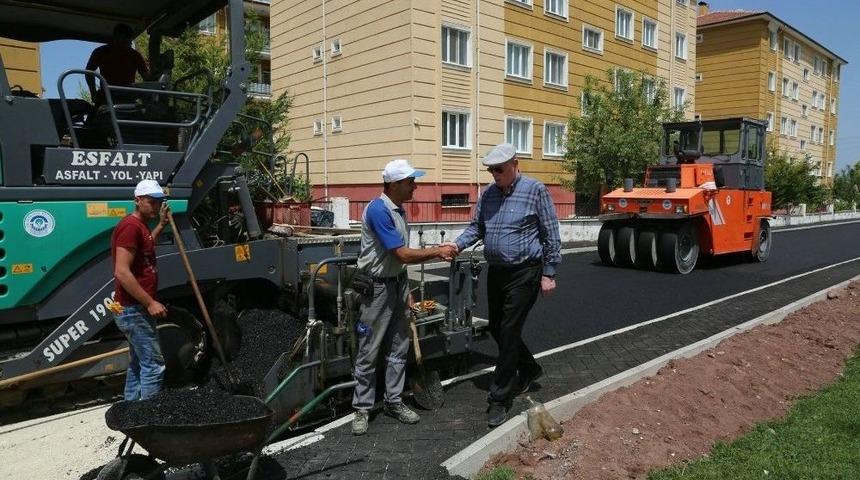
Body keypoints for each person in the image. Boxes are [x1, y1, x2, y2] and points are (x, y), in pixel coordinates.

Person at [446, 143, 561, 427]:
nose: (494, 174)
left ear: (514, 164)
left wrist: (549, 273)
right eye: (490, 170)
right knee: (497, 327)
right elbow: (477, 228)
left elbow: (551, 233)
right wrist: (456, 244)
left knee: (509, 330)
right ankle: (530, 368)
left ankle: (499, 398)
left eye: (498, 169)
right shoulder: (488, 195)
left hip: (526, 272)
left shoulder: (535, 190)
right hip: (497, 272)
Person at [351, 159, 458, 435]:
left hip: (395, 285)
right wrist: (438, 251)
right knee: (369, 349)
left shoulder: (399, 210)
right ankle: (362, 409)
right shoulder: (378, 210)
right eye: (411, 181)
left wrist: (406, 289)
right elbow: (401, 254)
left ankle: (393, 402)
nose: (415, 186)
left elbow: (397, 263)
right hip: (375, 290)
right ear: (396, 183)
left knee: (399, 348)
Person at [111, 179, 170, 401]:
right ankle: (149, 417)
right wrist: (150, 302)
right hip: (133, 309)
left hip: (132, 309)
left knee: (138, 364)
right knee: (154, 365)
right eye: (150, 202)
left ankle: (131, 411)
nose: (155, 206)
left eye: (158, 202)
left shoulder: (141, 227)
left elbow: (145, 248)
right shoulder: (130, 227)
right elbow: (122, 271)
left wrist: (161, 225)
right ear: (137, 200)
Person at [86, 23, 149, 105]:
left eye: (128, 38)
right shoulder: (101, 52)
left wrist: (157, 77)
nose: (127, 41)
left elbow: (146, 77)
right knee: (95, 114)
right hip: (107, 95)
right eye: (123, 37)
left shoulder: (134, 55)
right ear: (116, 37)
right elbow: (89, 73)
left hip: (128, 95)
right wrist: (93, 93)